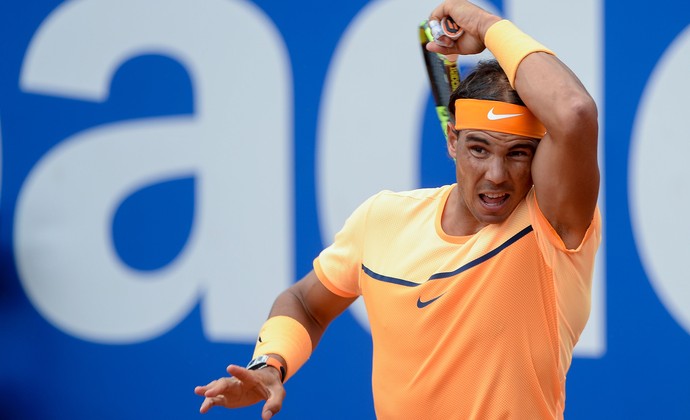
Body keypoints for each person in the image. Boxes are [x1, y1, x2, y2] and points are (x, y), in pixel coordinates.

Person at [194, 0, 601, 418]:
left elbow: (574, 112)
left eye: (518, 154)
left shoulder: (550, 222)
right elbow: (306, 302)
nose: (496, 174)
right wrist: (270, 363)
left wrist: (487, 24)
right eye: (479, 149)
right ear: (451, 140)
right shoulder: (383, 219)